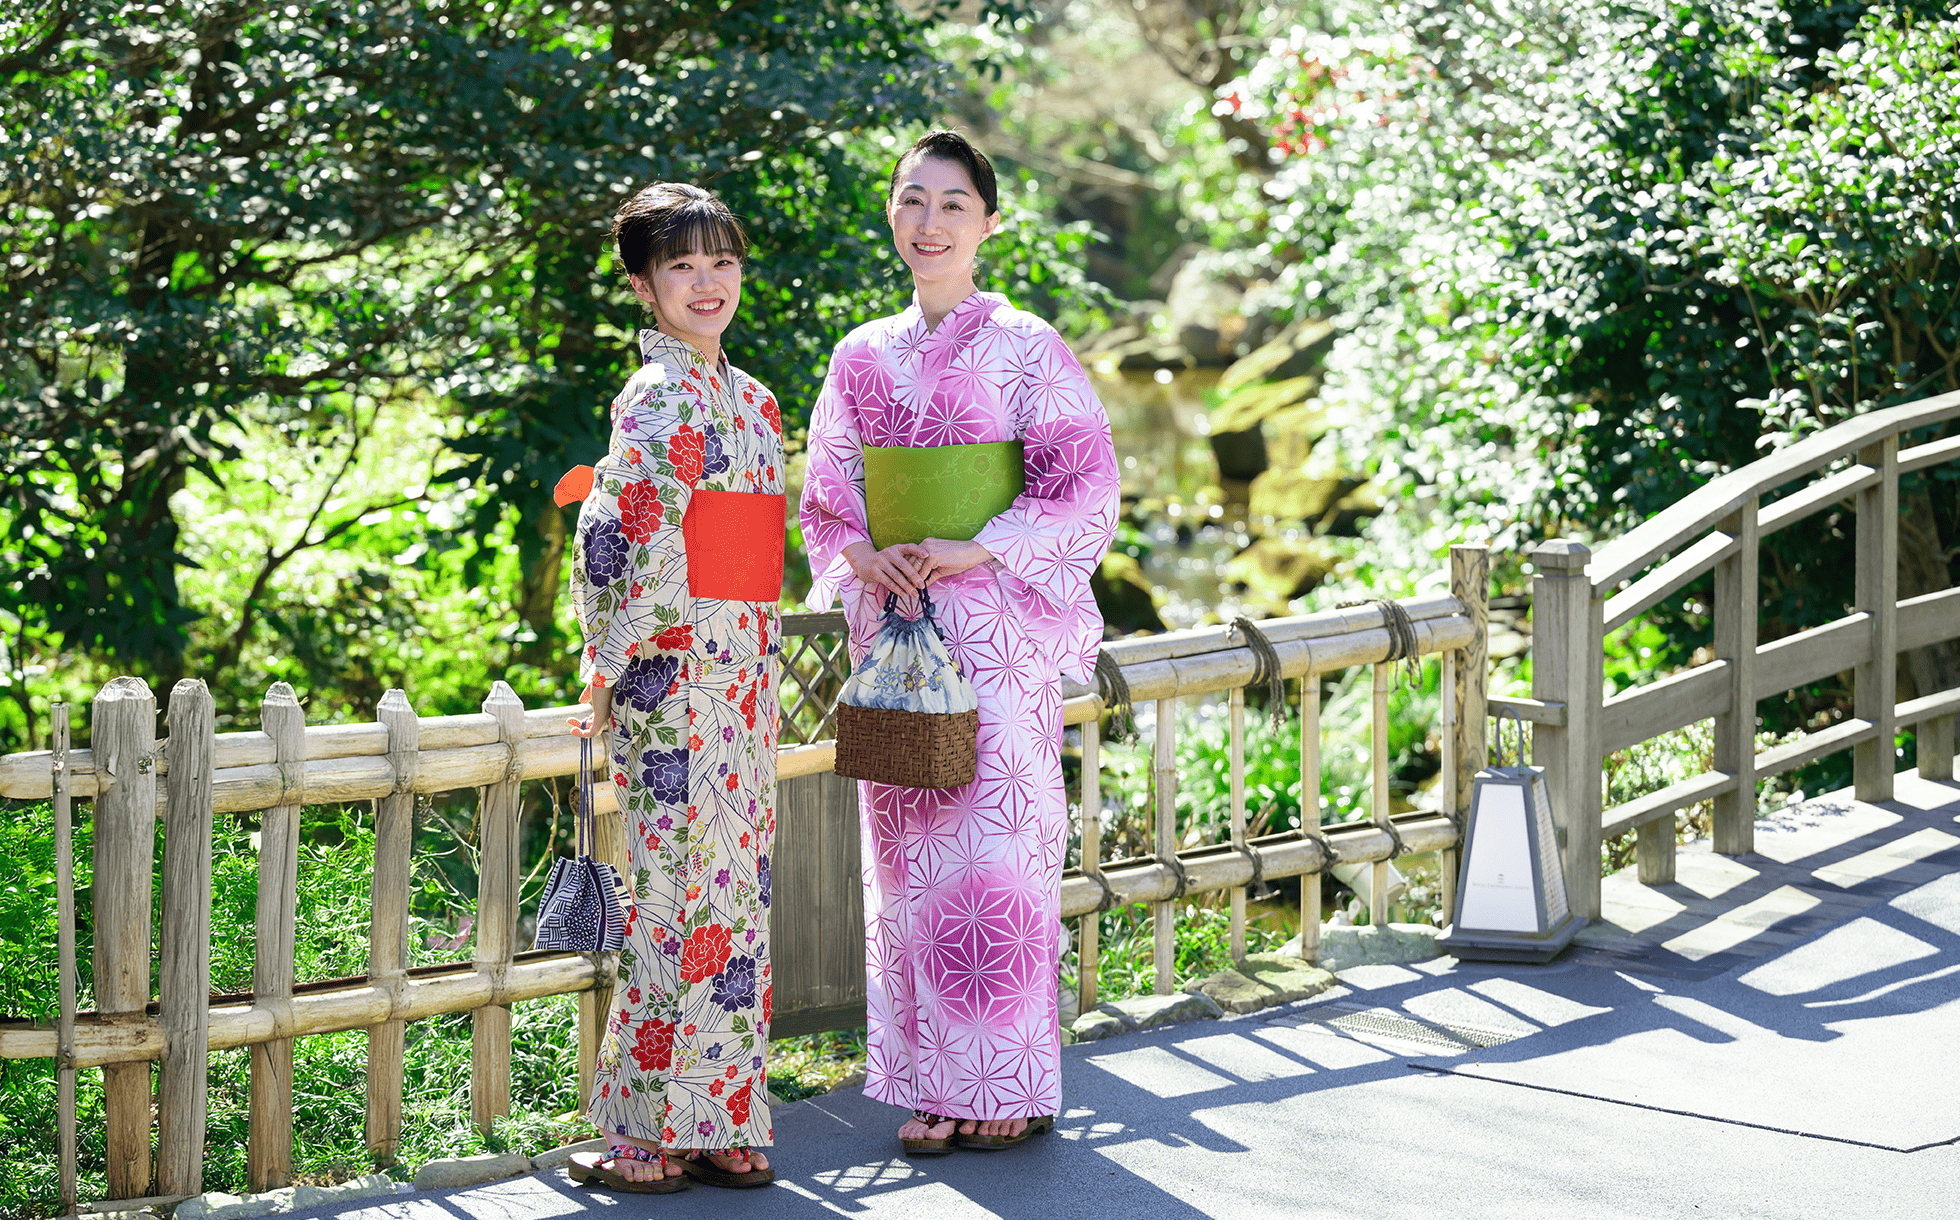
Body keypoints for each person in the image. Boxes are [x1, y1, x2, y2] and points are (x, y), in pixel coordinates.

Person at [800, 130, 1120, 1153]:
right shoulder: (861, 354)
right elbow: (825, 495)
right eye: (910, 200)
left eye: (950, 203)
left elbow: (1083, 485)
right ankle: (931, 1084)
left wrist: (978, 546)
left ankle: (1008, 1083)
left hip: (994, 628)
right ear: (890, 215)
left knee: (995, 863)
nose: (927, 222)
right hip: (898, 629)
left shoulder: (1027, 344)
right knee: (903, 867)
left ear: (988, 222)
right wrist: (861, 555)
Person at [565, 181, 785, 1193]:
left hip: (726, 671)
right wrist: (620, 664)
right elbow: (631, 530)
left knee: (718, 898)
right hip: (685, 677)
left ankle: (687, 1130)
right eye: (683, 266)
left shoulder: (751, 399)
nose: (707, 283)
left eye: (721, 262)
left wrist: (602, 658)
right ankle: (700, 1129)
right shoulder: (663, 395)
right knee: (687, 899)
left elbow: (622, 539)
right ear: (645, 285)